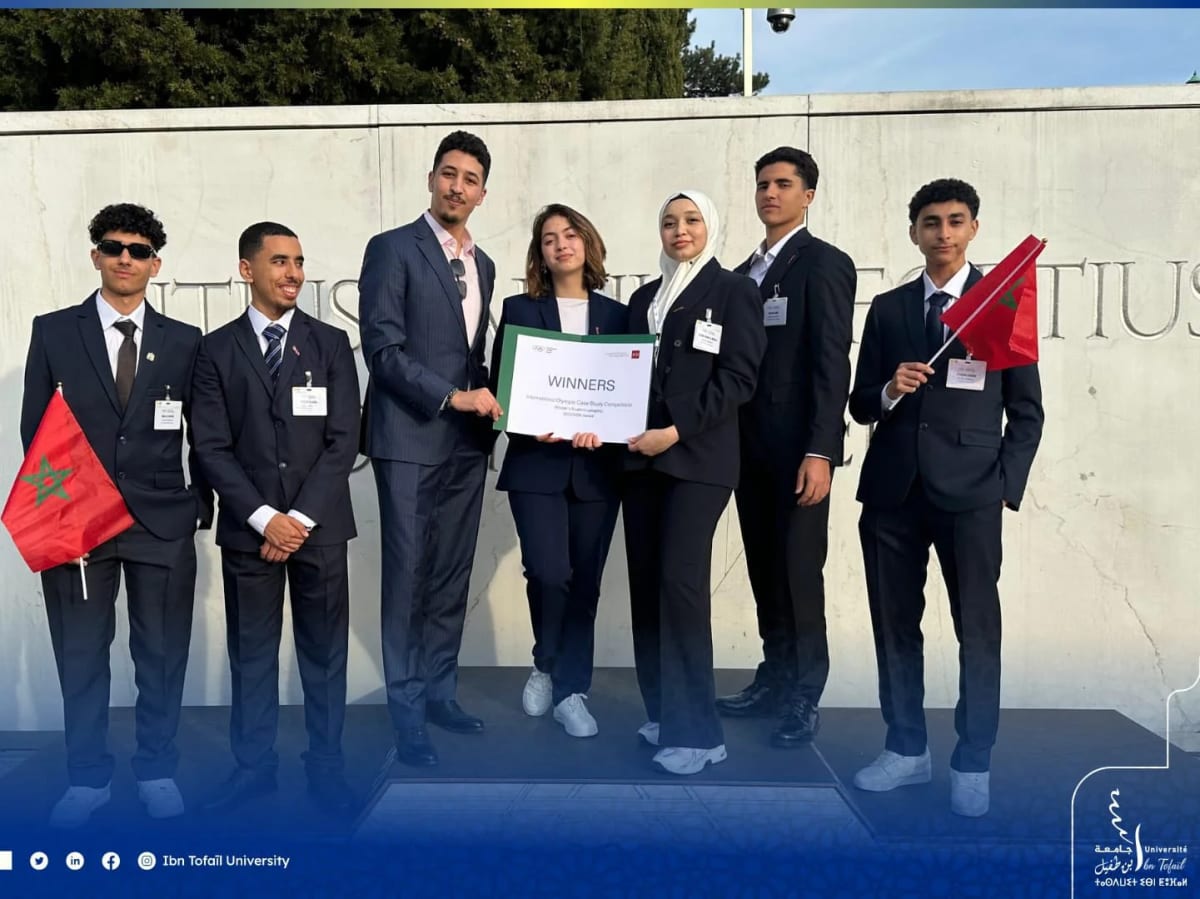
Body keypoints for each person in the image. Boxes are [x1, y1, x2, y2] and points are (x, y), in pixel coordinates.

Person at [848, 178, 1043, 816]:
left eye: (955, 221)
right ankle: (906, 750)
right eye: (930, 223)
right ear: (914, 233)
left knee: (977, 632)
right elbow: (857, 404)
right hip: (892, 493)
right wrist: (887, 390)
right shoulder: (889, 307)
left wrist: (1003, 488)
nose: (943, 233)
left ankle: (973, 758)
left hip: (971, 496)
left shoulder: (999, 304)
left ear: (973, 229)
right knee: (894, 628)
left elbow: (1028, 414)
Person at [19, 203, 211, 828]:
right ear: (95, 254)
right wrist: (60, 515)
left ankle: (156, 770)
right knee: (80, 655)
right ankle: (88, 778)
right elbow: (35, 432)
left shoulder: (185, 341)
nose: (124, 257)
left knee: (160, 655)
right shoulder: (53, 331)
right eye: (113, 246)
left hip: (160, 523)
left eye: (137, 248)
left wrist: (197, 508)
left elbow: (203, 433)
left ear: (156, 263)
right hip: (79, 526)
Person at [190, 222, 360, 816]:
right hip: (249, 532)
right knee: (253, 656)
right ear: (247, 270)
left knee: (324, 655)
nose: (293, 273)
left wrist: (299, 519)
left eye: (299, 261)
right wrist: (265, 519)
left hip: (319, 529)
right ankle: (253, 770)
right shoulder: (213, 350)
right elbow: (209, 446)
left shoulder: (332, 344)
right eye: (280, 262)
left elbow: (344, 441)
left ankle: (327, 768)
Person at [358, 131, 501, 767]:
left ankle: (440, 689)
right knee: (408, 579)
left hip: (467, 446)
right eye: (449, 173)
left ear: (482, 192)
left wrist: (497, 394)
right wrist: (451, 397)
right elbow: (384, 351)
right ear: (431, 178)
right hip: (411, 437)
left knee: (449, 576)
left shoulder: (486, 264)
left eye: (470, 178)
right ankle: (407, 709)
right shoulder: (392, 249)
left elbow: (474, 355)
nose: (457, 186)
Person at [622, 190, 766, 776]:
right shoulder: (643, 299)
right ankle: (663, 711)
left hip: (697, 459)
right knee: (647, 588)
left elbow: (739, 378)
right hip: (639, 462)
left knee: (681, 588)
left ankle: (699, 734)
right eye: (668, 221)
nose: (679, 230)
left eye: (691, 220)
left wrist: (675, 430)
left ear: (711, 225)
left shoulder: (733, 291)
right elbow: (621, 378)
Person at [718, 147, 857, 748]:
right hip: (746, 449)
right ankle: (774, 677)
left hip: (800, 452)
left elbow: (832, 364)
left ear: (808, 195)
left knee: (800, 574)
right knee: (763, 569)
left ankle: (804, 693)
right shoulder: (743, 270)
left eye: (783, 184)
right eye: (762, 184)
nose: (770, 193)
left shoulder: (822, 263)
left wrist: (822, 450)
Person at [489, 205, 628, 738]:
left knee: (585, 584)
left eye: (570, 234)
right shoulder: (520, 309)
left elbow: (625, 393)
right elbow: (506, 389)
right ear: (539, 254)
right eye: (549, 238)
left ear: (588, 243)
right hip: (536, 465)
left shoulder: (618, 315)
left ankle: (573, 690)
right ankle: (545, 662)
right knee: (548, 573)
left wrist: (609, 429)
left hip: (597, 470)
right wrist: (529, 425)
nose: (561, 244)